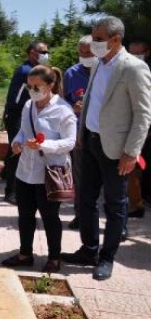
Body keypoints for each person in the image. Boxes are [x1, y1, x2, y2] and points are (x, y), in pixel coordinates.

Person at [61, 16, 151, 281]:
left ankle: (107, 256)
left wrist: (132, 152)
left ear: (116, 40)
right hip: (89, 141)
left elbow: (143, 114)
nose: (94, 43)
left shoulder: (133, 68)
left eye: (99, 39)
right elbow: (90, 100)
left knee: (115, 203)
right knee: (85, 200)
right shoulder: (100, 64)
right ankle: (89, 250)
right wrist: (80, 134)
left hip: (116, 149)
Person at [0, 65, 76, 273]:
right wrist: (17, 142)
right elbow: (23, 132)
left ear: (50, 85)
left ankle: (54, 257)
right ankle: (25, 253)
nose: (33, 90)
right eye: (30, 87)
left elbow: (70, 142)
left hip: (49, 171)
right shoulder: (28, 106)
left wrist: (44, 146)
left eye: (37, 86)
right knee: (25, 214)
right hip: (26, 170)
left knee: (50, 216)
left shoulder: (63, 110)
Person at [2, 41, 50, 204]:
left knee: (14, 149)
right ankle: (11, 191)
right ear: (31, 53)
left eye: (46, 52)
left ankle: (6, 176)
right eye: (42, 52)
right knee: (17, 150)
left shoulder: (32, 70)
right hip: (16, 115)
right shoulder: (27, 71)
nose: (45, 55)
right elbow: (19, 100)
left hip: (19, 114)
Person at [63, 35, 98, 229]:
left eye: (89, 52)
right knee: (79, 177)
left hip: (104, 134)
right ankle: (80, 215)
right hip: (79, 133)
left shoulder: (105, 71)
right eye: (81, 52)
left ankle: (117, 225)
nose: (84, 55)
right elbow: (63, 101)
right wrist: (72, 107)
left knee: (109, 183)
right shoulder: (71, 74)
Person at [128, 39, 151, 211]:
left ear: (147, 53)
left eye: (138, 53)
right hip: (133, 127)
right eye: (131, 53)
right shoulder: (126, 70)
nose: (134, 57)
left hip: (146, 127)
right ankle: (137, 202)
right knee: (135, 166)